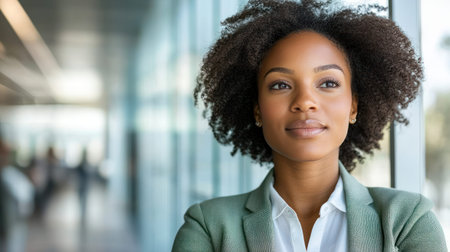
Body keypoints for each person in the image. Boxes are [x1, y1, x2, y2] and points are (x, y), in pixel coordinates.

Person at [172, 0, 448, 251]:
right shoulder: (208, 227)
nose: (305, 102)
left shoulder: (406, 221)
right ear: (257, 110)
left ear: (353, 106)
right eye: (280, 85)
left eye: (328, 83)